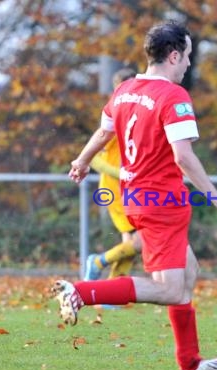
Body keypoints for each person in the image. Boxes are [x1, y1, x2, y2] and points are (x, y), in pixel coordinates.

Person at [51, 20, 217, 370]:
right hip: (163, 203)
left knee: (188, 274)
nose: (189, 65)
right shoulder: (174, 97)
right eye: (188, 56)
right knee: (171, 290)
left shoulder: (126, 90)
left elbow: (103, 132)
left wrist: (82, 161)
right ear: (174, 55)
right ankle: (83, 291)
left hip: (135, 198)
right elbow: (183, 157)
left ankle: (190, 365)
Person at [84, 67, 142, 281]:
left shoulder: (138, 114)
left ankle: (111, 293)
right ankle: (97, 262)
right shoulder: (114, 116)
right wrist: (120, 173)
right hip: (115, 190)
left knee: (132, 242)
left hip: (133, 189)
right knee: (139, 240)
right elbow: (95, 157)